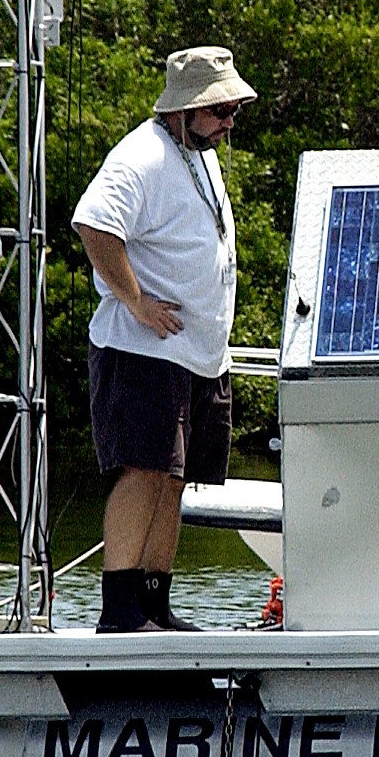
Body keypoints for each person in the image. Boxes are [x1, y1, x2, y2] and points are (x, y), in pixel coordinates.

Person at [72, 45, 254, 635]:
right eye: (219, 110)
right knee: (144, 470)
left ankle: (154, 602)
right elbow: (94, 222)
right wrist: (135, 301)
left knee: (177, 477)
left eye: (233, 110)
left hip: (197, 356)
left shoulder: (197, 151)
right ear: (184, 109)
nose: (228, 122)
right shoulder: (141, 155)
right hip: (145, 352)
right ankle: (120, 611)